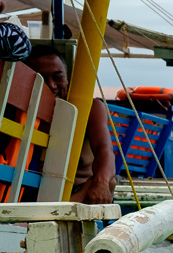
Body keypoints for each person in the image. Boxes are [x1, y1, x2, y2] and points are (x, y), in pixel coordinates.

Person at [24, 44, 118, 205]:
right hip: (30, 192)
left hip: (81, 191)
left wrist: (101, 183)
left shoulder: (89, 108)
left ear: (67, 78)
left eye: (58, 77)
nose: (52, 85)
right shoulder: (20, 111)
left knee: (109, 181)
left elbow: (104, 149)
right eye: (42, 78)